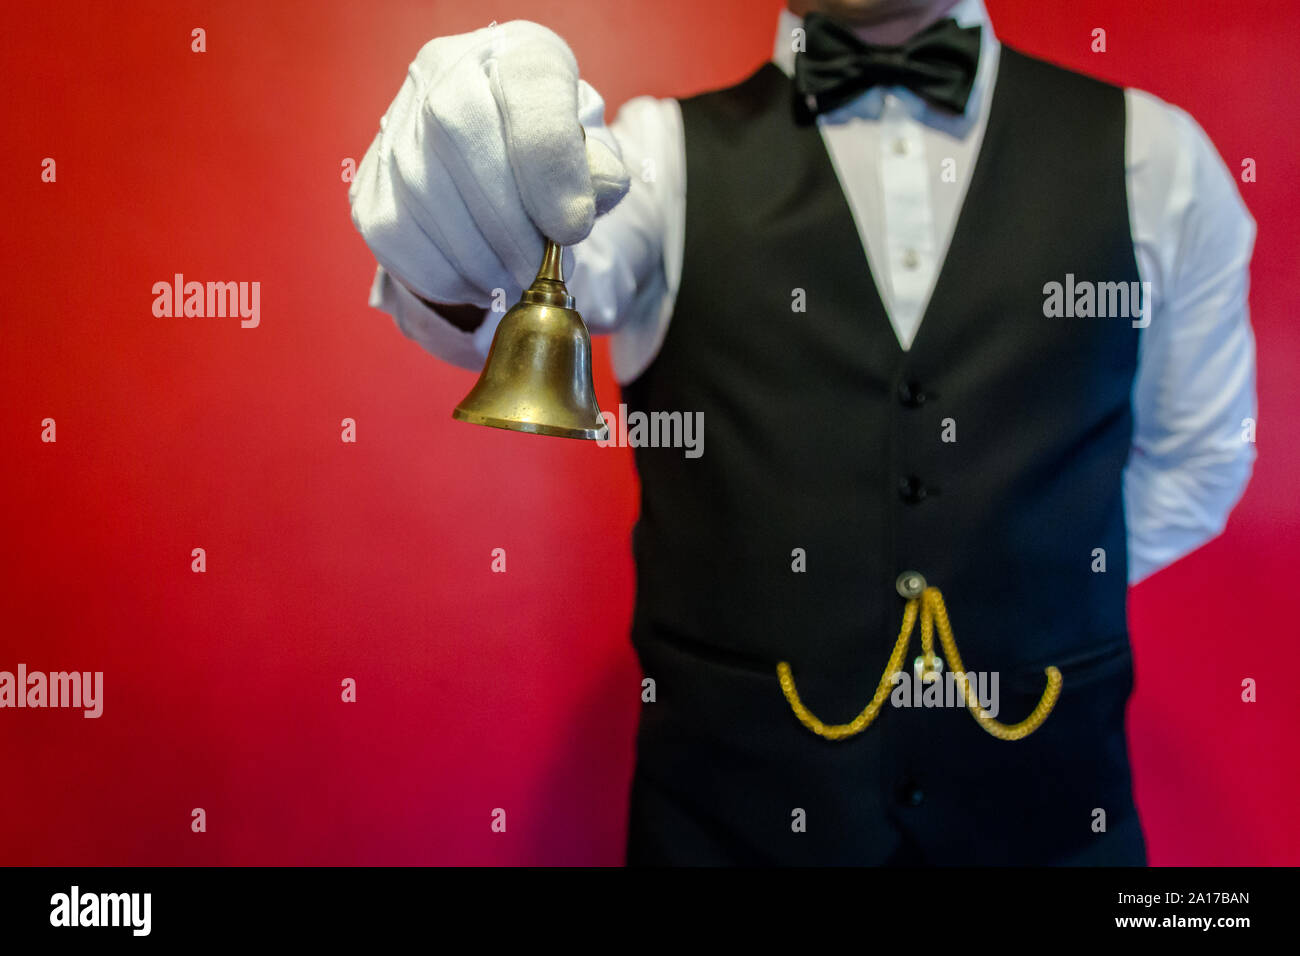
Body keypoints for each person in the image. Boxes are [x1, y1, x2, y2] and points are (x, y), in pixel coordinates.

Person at [348, 0, 1257, 865]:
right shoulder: (658, 157)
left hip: (1054, 823)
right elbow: (509, 290)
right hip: (725, 831)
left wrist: (1031, 578)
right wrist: (455, 216)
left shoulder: (1159, 158)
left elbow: (1201, 460)